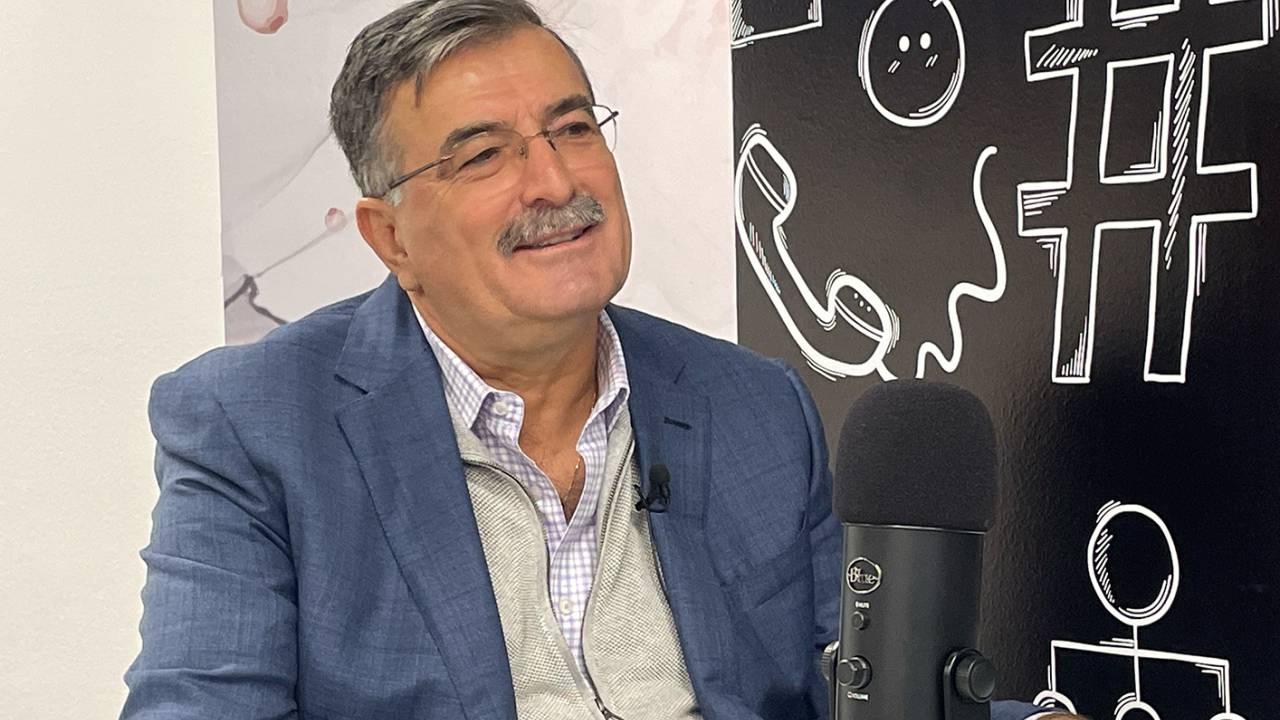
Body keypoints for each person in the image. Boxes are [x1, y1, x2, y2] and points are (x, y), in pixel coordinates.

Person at [122, 2, 1067, 718]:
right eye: (483, 156)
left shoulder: (753, 404)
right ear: (390, 236)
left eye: (573, 129)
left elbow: (862, 691)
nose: (556, 181)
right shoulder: (254, 423)